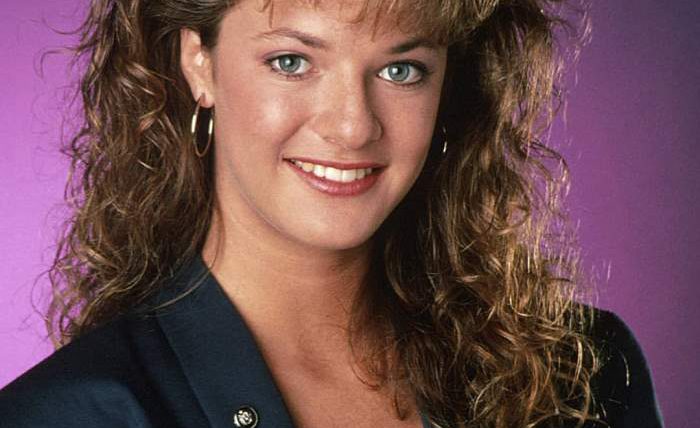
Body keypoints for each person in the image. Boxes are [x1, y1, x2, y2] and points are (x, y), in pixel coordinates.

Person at [0, 0, 664, 427]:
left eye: (402, 71)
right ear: (198, 63)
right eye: (292, 62)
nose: (352, 126)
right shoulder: (72, 413)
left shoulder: (586, 373)